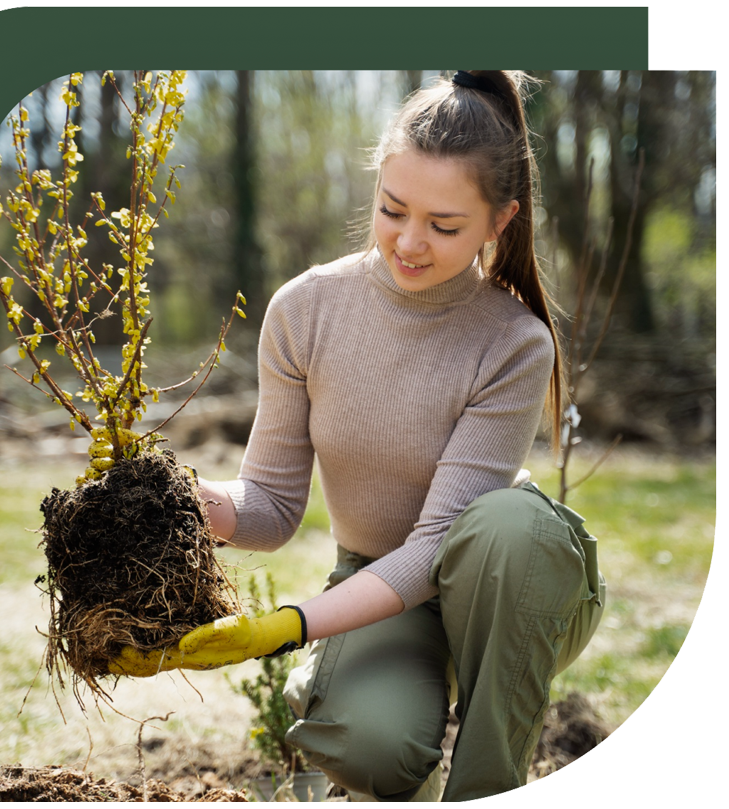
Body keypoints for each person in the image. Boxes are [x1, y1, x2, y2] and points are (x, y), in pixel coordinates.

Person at [110, 70, 606, 802]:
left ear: (500, 221)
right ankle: (378, 702)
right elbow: (272, 506)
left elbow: (439, 543)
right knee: (368, 747)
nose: (409, 241)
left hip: (513, 580)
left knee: (504, 525)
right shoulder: (304, 310)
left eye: (443, 226)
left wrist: (282, 627)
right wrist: (172, 500)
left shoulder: (511, 341)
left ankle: (487, 786)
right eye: (391, 209)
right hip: (379, 578)